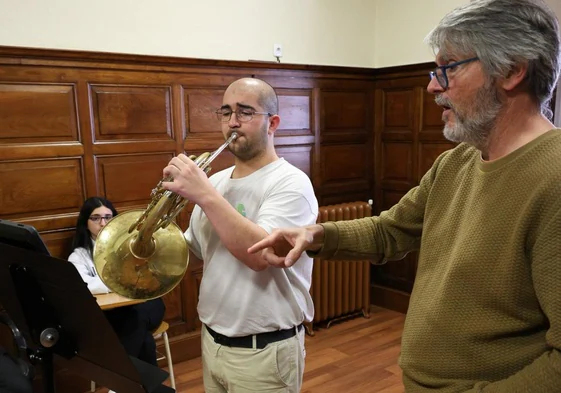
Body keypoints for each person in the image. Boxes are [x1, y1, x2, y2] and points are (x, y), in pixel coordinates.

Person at [249, 1, 561, 392]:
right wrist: (315, 236)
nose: (432, 84)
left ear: (513, 70)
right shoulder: (456, 163)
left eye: (448, 67)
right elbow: (389, 232)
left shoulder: (553, 179)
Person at [161, 77, 318, 392]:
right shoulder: (216, 182)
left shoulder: (291, 182)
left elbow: (260, 256)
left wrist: (204, 195)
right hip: (213, 341)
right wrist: (152, 232)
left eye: (245, 112)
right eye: (226, 112)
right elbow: (195, 250)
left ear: (272, 123)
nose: (233, 122)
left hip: (264, 352)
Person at [68, 197, 166, 367]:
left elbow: (145, 279)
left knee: (138, 315)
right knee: (142, 335)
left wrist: (107, 283)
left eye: (108, 217)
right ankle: (147, 388)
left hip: (147, 303)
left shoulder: (129, 246)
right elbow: (82, 286)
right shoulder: (79, 255)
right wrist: (119, 282)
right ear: (86, 222)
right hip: (115, 312)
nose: (103, 222)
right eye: (96, 218)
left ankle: (120, 383)